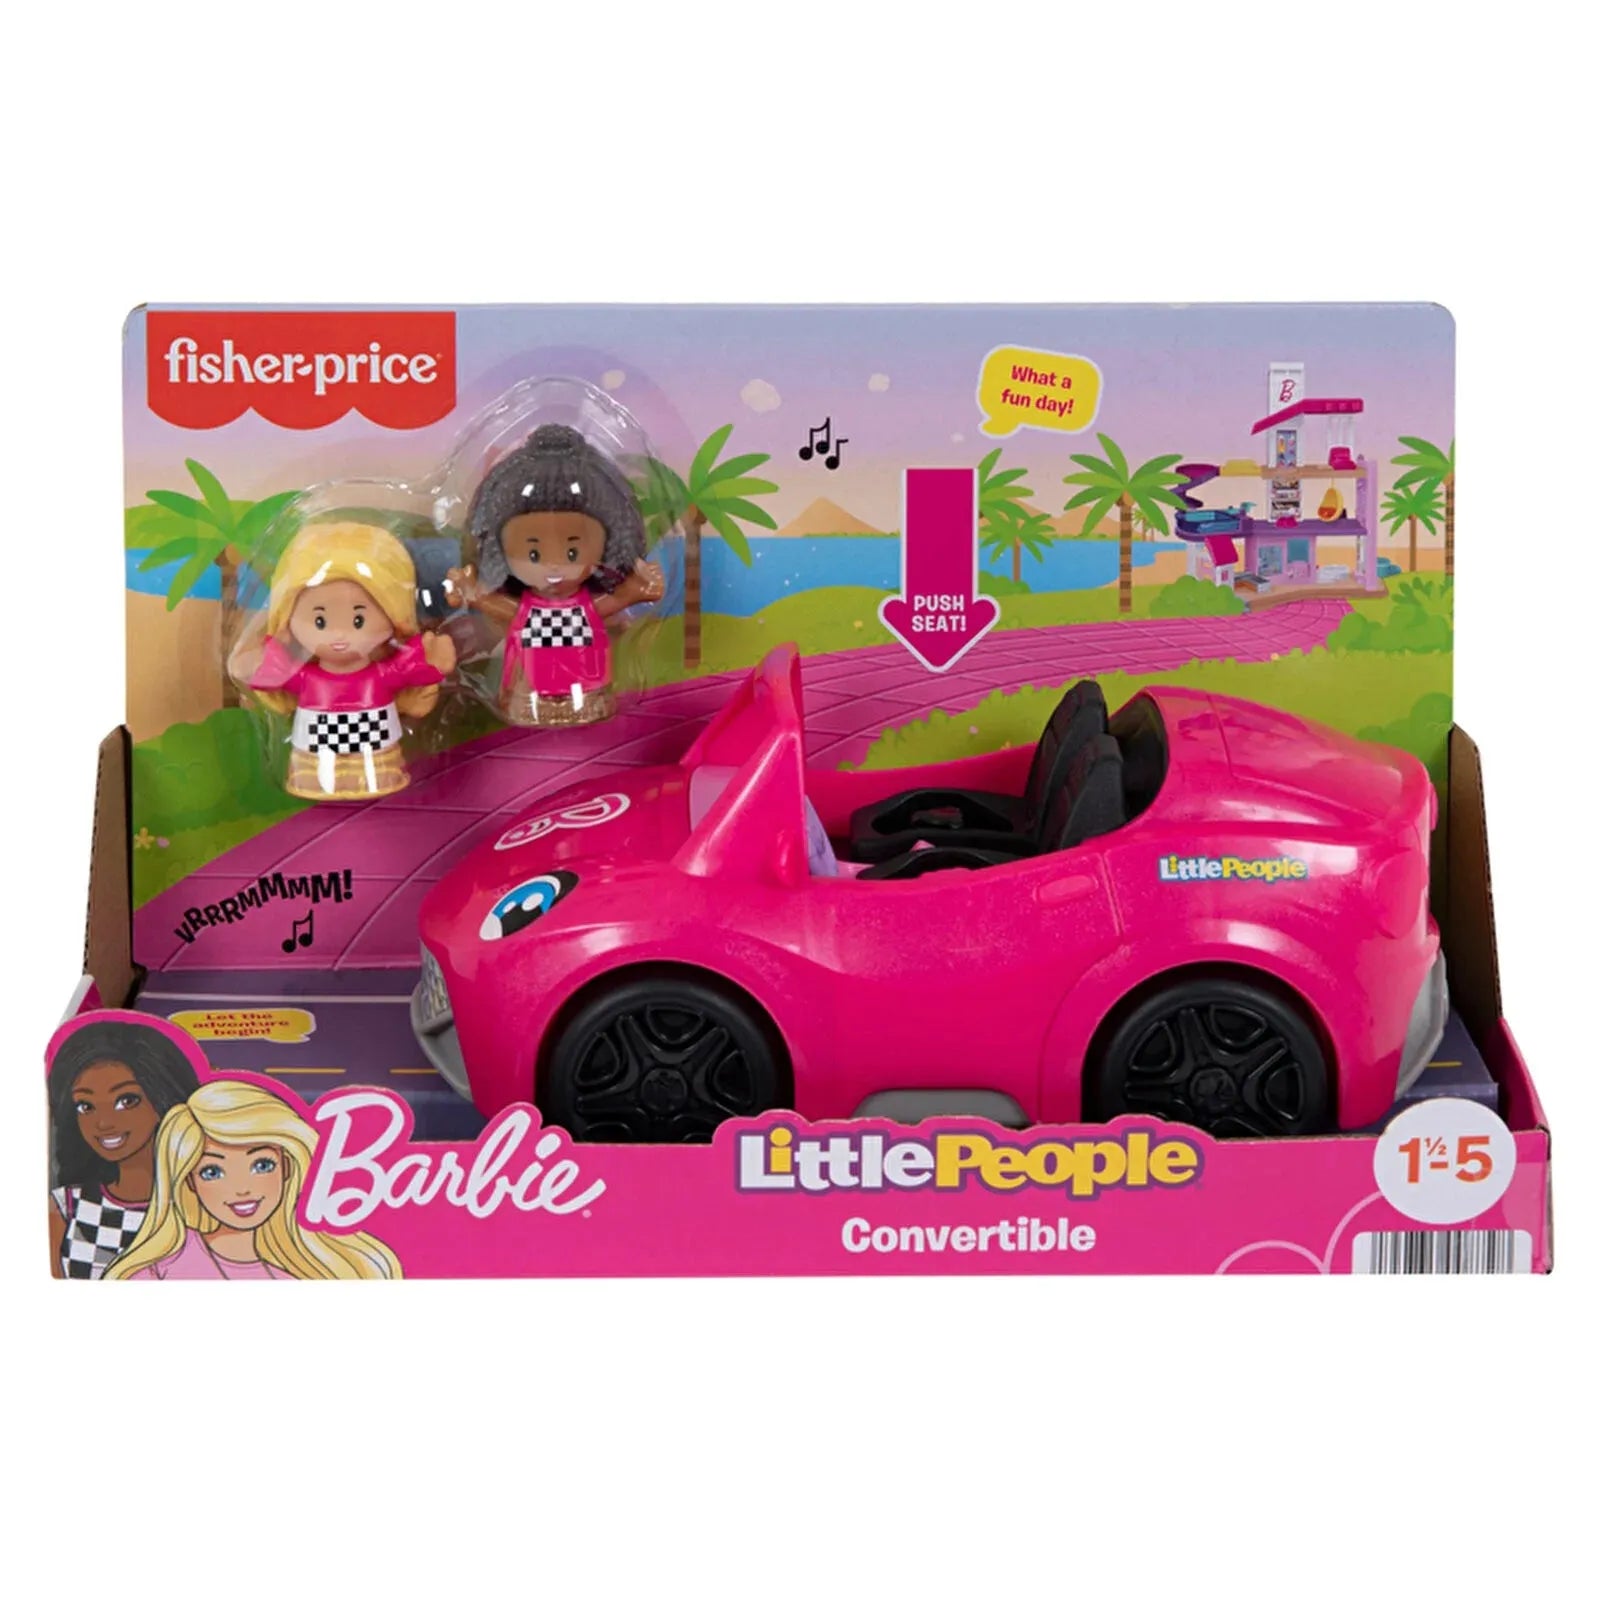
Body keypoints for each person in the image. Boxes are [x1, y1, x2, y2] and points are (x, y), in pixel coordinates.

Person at [449, 423, 664, 727]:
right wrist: (472, 593)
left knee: (584, 691)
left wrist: (637, 590)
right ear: (498, 548)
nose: (554, 567)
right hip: (532, 686)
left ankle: (582, 703)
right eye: (533, 555)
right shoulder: (532, 608)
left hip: (585, 684)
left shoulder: (582, 606)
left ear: (610, 543)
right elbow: (503, 609)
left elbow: (614, 601)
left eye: (572, 553)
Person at [239, 520, 457, 800]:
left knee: (376, 768)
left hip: (374, 744)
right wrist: (259, 665)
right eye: (320, 621)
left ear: (394, 615)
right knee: (316, 770)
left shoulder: (380, 674)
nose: (339, 635)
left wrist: (430, 663)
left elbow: (408, 670)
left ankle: (370, 777)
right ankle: (319, 780)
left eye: (358, 621)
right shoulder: (305, 676)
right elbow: (275, 674)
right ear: (287, 617)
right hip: (316, 748)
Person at [104, 1079, 400, 1280]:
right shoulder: (157, 1273)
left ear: (287, 1166)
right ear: (189, 1182)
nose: (242, 1189)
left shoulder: (318, 1264)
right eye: (212, 1172)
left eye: (262, 1165)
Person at [48, 1018, 203, 1279]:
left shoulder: (207, 1202)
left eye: (127, 1100)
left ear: (161, 1098)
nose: (103, 1123)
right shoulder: (67, 1206)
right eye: (86, 1106)